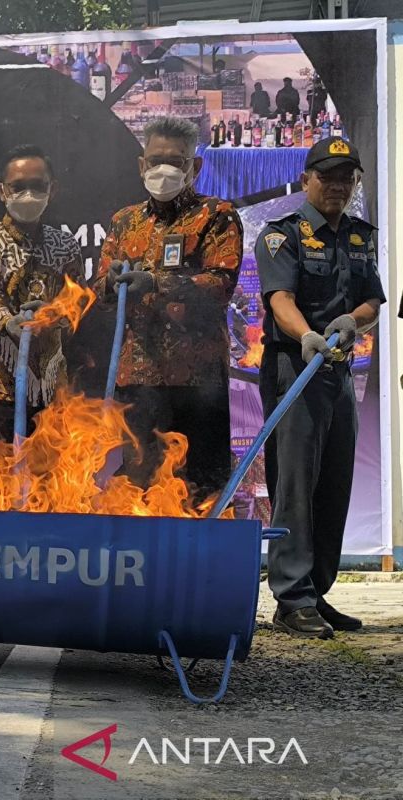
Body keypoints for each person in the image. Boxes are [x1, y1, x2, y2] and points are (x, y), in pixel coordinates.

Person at [255, 137, 384, 638]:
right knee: (296, 485)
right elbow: (279, 299)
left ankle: (317, 592)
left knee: (334, 482)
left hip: (338, 372)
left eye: (346, 178)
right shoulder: (281, 235)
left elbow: (372, 299)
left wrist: (353, 321)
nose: (337, 185)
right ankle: (291, 599)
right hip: (295, 367)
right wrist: (305, 334)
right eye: (327, 176)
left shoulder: (358, 236)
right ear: (307, 178)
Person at [93, 117, 243, 503]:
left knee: (200, 488)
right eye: (156, 160)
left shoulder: (217, 215)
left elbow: (220, 284)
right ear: (141, 165)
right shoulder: (124, 221)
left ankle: (199, 560)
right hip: (138, 378)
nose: (164, 170)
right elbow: (100, 291)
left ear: (195, 167)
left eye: (175, 162)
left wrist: (157, 283)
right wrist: (110, 281)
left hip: (198, 382)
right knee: (138, 482)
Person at [0, 144, 84, 440]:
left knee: (53, 476)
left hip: (50, 381)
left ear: (51, 190)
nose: (28, 195)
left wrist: (56, 315)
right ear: (2, 191)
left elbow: (77, 301)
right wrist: (8, 322)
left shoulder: (66, 246)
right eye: (18, 187)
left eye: (37, 186)